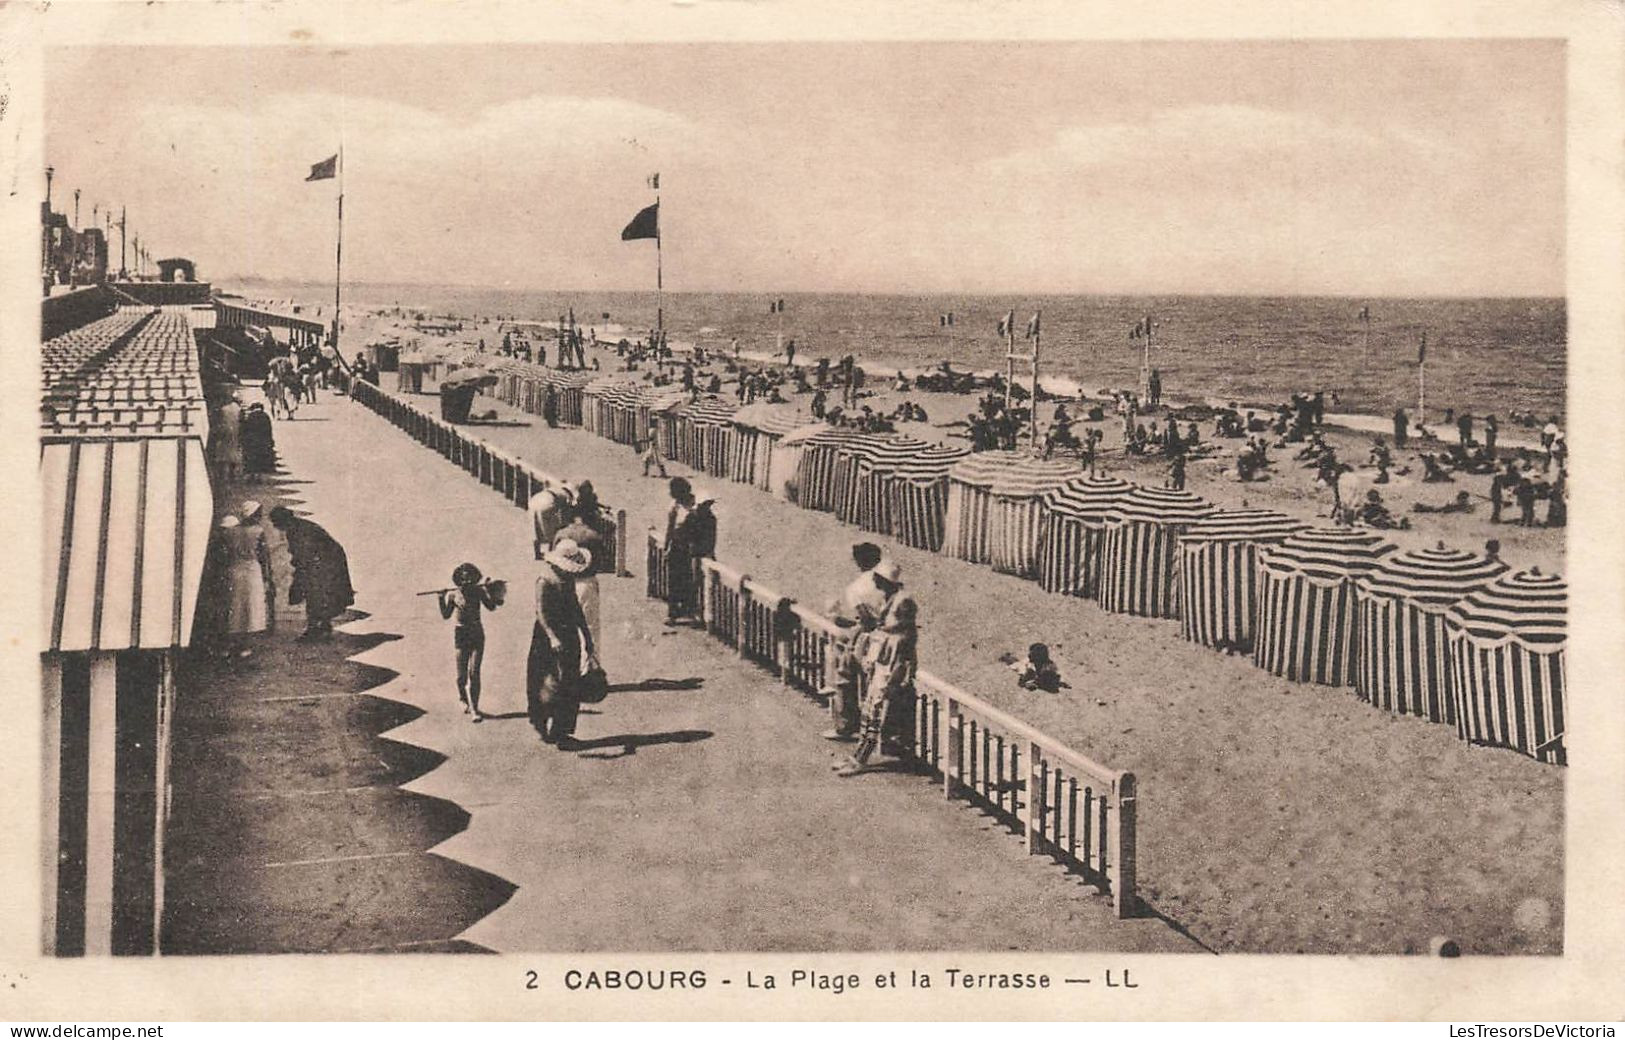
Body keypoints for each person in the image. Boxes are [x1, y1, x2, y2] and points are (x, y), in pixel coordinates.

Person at [835, 558, 918, 777]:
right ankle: (858, 754)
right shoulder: (888, 599)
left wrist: (902, 670)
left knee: (876, 712)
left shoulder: (903, 602)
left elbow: (908, 638)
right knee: (870, 709)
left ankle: (861, 758)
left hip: (893, 664)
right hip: (881, 660)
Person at [526, 539, 597, 749]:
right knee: (542, 681)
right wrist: (552, 637)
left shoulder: (567, 581)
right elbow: (541, 613)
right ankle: (541, 722)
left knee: (570, 682)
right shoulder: (545, 581)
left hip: (569, 635)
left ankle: (562, 731)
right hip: (547, 636)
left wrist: (587, 635)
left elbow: (575, 608)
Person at [821, 542, 888, 743]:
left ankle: (845, 726)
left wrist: (842, 621)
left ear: (858, 562)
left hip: (869, 639)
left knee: (844, 676)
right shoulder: (889, 583)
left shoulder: (856, 587)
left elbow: (866, 621)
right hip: (890, 637)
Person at [268, 505, 355, 640]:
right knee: (318, 593)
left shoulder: (297, 530)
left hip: (327, 560)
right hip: (326, 559)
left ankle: (315, 629)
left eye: (275, 523)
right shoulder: (296, 526)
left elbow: (303, 557)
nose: (275, 526)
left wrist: (298, 579)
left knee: (315, 593)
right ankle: (323, 627)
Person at [552, 482, 612, 662]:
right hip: (586, 582)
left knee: (566, 628)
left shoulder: (561, 534)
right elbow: (604, 561)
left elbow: (554, 560)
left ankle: (568, 670)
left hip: (563, 583)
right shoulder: (592, 535)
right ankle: (591, 668)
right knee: (591, 627)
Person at [437, 562, 501, 722]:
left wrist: (489, 591)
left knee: (475, 672)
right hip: (461, 633)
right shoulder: (453, 595)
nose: (467, 583)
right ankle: (463, 698)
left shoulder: (478, 592)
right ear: (458, 580)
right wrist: (440, 598)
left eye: (470, 579)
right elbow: (446, 615)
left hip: (477, 632)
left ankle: (474, 708)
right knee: (461, 676)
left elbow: (492, 607)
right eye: (463, 580)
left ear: (475, 579)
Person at [212, 502, 275, 658]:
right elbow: (264, 556)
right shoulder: (258, 531)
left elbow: (223, 554)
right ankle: (243, 645)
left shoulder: (231, 532)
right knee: (249, 609)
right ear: (254, 515)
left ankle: (227, 644)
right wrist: (268, 577)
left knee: (233, 607)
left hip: (233, 570)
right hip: (252, 572)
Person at [664, 478, 702, 624]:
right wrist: (667, 547)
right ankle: (672, 613)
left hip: (691, 547)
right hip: (677, 547)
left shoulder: (695, 505)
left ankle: (690, 611)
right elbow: (670, 528)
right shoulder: (674, 506)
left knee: (691, 581)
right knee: (674, 580)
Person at [528, 480, 574, 559]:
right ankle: (550, 553)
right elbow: (563, 513)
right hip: (548, 503)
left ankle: (537, 554)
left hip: (534, 500)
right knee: (552, 528)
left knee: (535, 528)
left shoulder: (555, 489)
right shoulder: (566, 496)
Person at [210, 393, 244, 482]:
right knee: (233, 452)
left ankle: (221, 475)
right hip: (236, 432)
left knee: (223, 453)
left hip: (225, 432)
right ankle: (231, 474)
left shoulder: (224, 409)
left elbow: (219, 421)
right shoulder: (239, 409)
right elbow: (242, 422)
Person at [240, 401, 276, 477]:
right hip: (262, 441)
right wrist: (270, 441)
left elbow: (246, 429)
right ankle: (259, 476)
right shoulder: (265, 416)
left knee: (252, 458)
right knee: (260, 458)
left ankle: (252, 475)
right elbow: (268, 430)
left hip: (252, 441)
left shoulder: (251, 416)